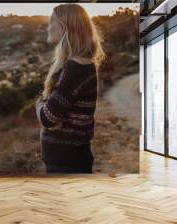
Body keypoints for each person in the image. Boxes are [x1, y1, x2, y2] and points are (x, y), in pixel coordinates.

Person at [35, 3, 105, 174]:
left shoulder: (75, 67)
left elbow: (47, 118)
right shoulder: (81, 64)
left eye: (51, 22)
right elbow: (54, 117)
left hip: (66, 162)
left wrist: (38, 104)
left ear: (63, 28)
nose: (47, 27)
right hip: (69, 159)